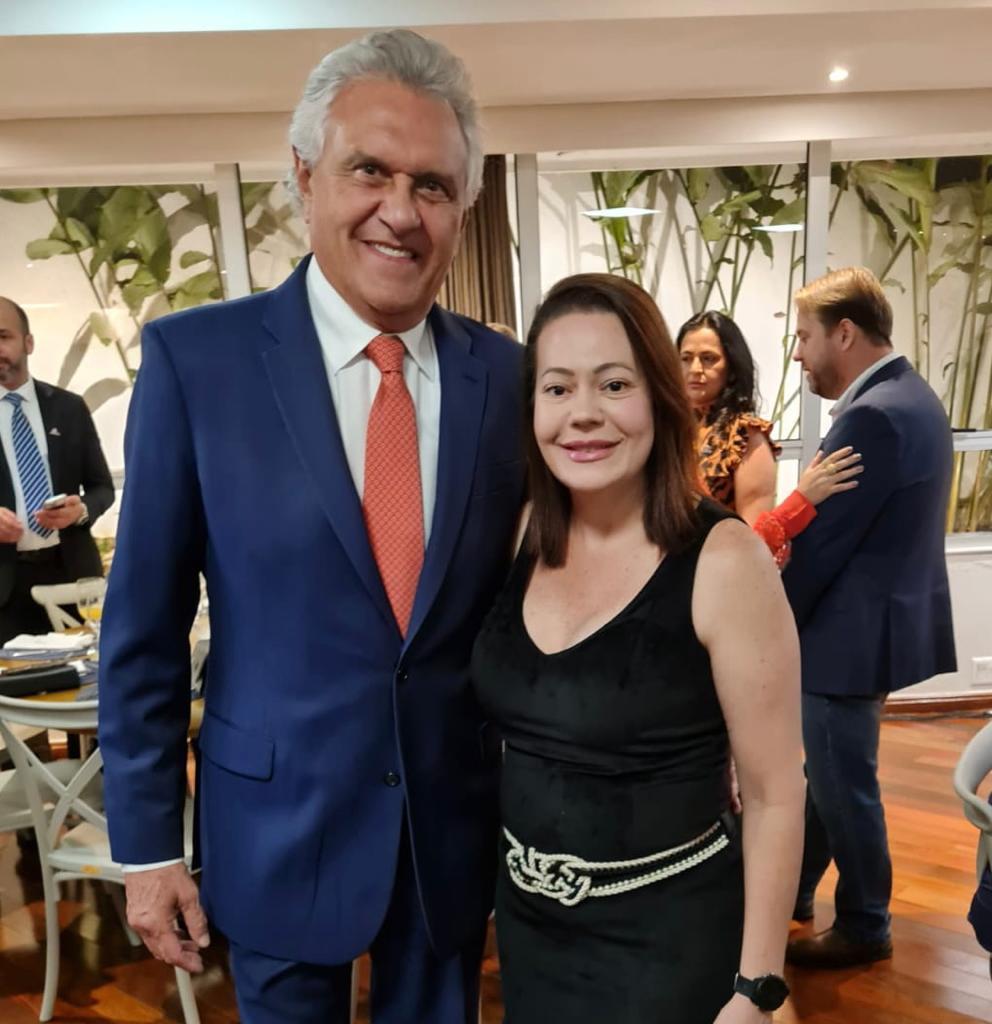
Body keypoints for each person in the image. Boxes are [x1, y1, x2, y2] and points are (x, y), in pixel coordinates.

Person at [98, 30, 525, 1024]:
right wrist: (150, 849)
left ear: (461, 208)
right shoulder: (196, 364)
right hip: (273, 826)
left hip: (449, 830)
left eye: (431, 185)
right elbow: (144, 631)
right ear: (303, 176)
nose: (400, 211)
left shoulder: (508, 379)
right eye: (368, 170)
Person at [472, 274, 804, 1024]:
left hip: (670, 943)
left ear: (659, 396)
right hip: (530, 930)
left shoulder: (724, 561)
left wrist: (758, 987)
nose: (583, 413)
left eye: (614, 384)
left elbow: (777, 793)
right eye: (557, 388)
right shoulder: (524, 534)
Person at [782, 267, 956, 968]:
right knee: (828, 777)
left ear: (845, 333)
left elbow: (820, 546)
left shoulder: (871, 417)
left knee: (843, 787)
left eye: (804, 336)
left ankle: (865, 923)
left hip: (843, 640)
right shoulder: (914, 397)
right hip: (871, 630)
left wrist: (765, 621)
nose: (798, 353)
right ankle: (792, 889)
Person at [677, 310, 861, 567]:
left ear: (731, 367)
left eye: (709, 359)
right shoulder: (667, 428)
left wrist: (799, 502)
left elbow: (754, 541)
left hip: (714, 571)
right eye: (686, 358)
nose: (695, 369)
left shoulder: (744, 435)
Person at [0, 296, 114, 642]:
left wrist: (81, 510)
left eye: (3, 336)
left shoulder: (69, 408)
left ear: (28, 343)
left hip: (74, 579)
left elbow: (102, 488)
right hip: (5, 590)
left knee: (89, 670)